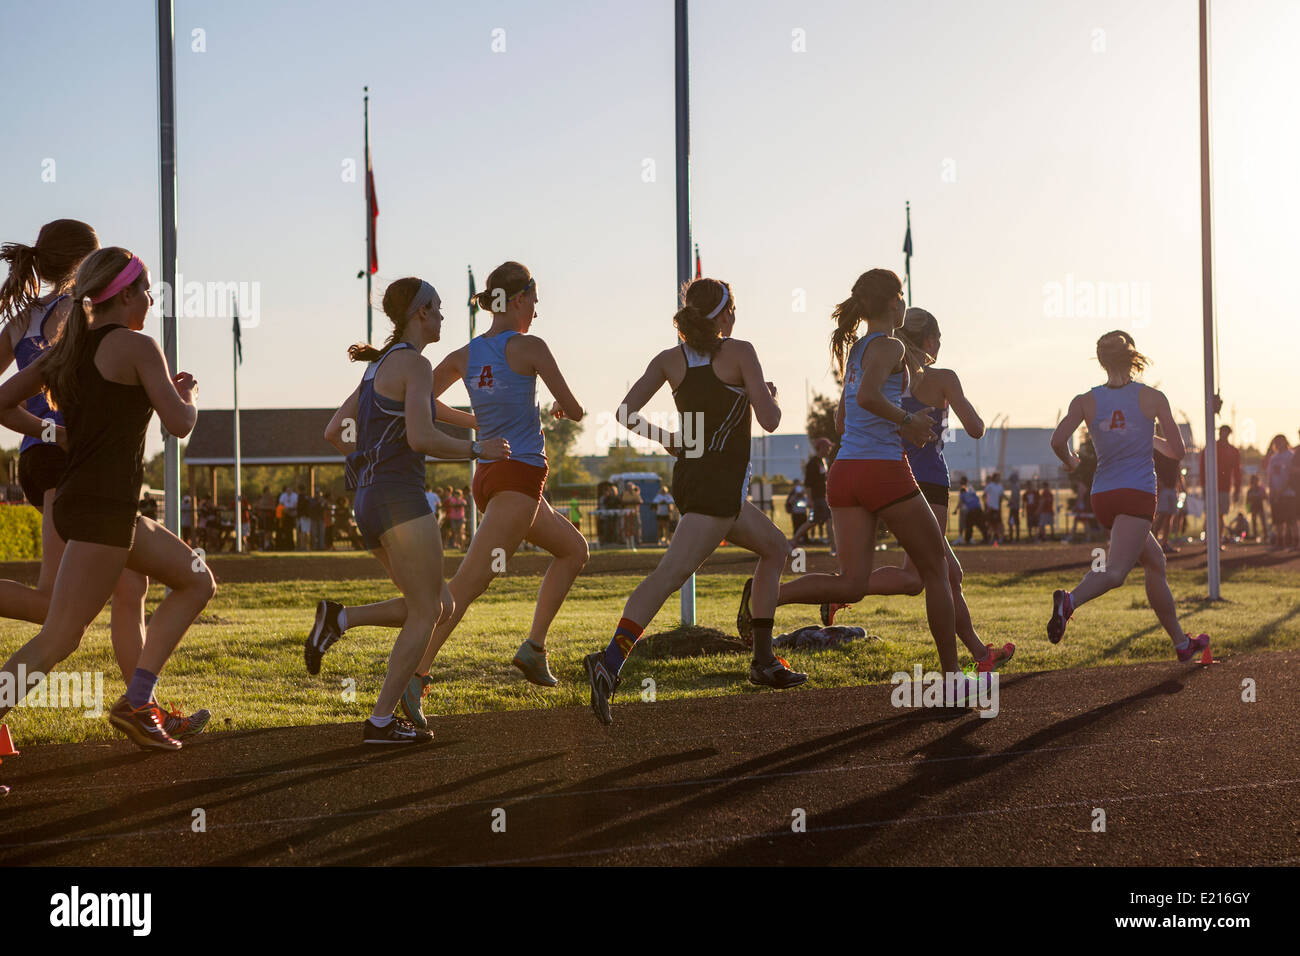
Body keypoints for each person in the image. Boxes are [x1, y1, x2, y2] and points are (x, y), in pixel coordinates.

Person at [0, 246, 216, 750]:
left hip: (92, 505)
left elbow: (3, 404)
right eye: (145, 290)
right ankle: (137, 702)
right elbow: (180, 426)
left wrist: (50, 434)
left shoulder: (67, 352)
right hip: (104, 509)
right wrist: (190, 395)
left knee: (196, 580)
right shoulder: (139, 348)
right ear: (125, 295)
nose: (149, 300)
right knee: (58, 638)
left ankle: (138, 700)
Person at [584, 277, 803, 724]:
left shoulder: (670, 359)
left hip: (694, 479)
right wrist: (768, 393)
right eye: (734, 308)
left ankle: (763, 660)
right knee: (669, 575)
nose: (736, 315)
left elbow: (626, 413)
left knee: (776, 548)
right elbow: (772, 419)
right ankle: (608, 664)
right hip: (717, 487)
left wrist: (668, 440)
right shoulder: (740, 351)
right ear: (725, 314)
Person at [754, 269, 975, 698]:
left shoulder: (859, 347)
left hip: (845, 471)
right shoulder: (889, 343)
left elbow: (850, 410)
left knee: (852, 582)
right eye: (903, 296)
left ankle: (767, 596)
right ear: (894, 302)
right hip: (882, 469)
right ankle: (952, 680)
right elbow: (868, 397)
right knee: (936, 572)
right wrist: (909, 420)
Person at [305, 277, 506, 743]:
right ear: (419, 312)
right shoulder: (416, 364)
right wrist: (479, 449)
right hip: (401, 499)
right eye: (437, 308)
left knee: (440, 604)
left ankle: (340, 619)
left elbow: (335, 431)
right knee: (427, 611)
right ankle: (379, 721)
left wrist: (369, 458)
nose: (442, 316)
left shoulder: (377, 369)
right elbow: (420, 437)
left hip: (368, 501)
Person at [404, 261, 588, 703]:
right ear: (520, 298)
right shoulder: (531, 347)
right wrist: (561, 412)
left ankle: (534, 647)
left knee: (574, 551)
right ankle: (413, 676)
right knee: (467, 585)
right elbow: (575, 409)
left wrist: (477, 423)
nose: (537, 313)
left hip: (496, 479)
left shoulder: (465, 354)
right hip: (518, 479)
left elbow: (426, 400)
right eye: (535, 302)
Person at [839, 307, 1013, 672]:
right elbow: (976, 428)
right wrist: (962, 409)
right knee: (918, 576)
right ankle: (842, 593)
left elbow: (847, 419)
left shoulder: (888, 374)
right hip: (928, 482)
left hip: (886, 474)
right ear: (930, 340)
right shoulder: (942, 377)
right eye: (939, 338)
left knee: (950, 575)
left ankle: (981, 655)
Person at [1047, 330, 1209, 662]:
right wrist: (1149, 438)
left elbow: (1057, 441)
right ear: (1133, 358)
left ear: (1102, 360)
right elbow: (1177, 451)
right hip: (1136, 493)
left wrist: (1073, 462)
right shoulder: (1152, 398)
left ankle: (1181, 643)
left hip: (1103, 495)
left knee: (1154, 561)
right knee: (1117, 572)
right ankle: (1070, 601)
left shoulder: (1085, 400)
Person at [1199, 424, 1241, 544]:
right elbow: (1203, 467)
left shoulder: (1233, 451)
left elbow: (1237, 471)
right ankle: (1208, 539)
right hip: (1210, 486)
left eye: (1226, 432)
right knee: (1210, 514)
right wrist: (1203, 485)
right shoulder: (1211, 448)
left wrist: (1237, 489)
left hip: (1224, 488)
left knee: (1221, 515)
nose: (1223, 434)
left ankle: (1218, 540)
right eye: (1222, 432)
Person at [791, 438, 834, 549]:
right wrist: (810, 500)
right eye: (827, 447)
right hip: (817, 498)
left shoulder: (823, 462)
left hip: (822, 497)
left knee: (813, 522)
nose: (829, 449)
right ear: (821, 448)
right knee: (829, 520)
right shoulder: (812, 463)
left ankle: (793, 541)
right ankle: (834, 546)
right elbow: (808, 484)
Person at [1264, 435, 1295, 550]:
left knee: (1290, 519)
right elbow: (1270, 476)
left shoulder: (1291, 456)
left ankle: (1293, 542)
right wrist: (1272, 491)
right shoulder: (1273, 458)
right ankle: (1279, 542)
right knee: (1277, 520)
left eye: (1281, 441)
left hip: (1288, 493)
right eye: (1276, 441)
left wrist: (1281, 490)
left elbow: (1290, 476)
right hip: (1275, 492)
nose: (1278, 443)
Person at [1153, 443, 1181, 554]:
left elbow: (1178, 472)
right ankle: (1154, 540)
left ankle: (1164, 542)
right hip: (1164, 488)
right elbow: (1155, 468)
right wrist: (1159, 483)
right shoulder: (1159, 452)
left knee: (1169, 515)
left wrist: (1181, 486)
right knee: (1161, 514)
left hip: (1173, 488)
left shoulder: (1175, 453)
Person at [983, 471, 1004, 545]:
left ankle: (998, 539)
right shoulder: (990, 486)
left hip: (997, 508)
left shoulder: (1000, 486)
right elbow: (984, 495)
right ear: (994, 478)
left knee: (998, 525)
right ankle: (990, 539)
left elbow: (1001, 496)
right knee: (990, 525)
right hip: (990, 508)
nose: (998, 478)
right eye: (997, 477)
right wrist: (986, 505)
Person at [1245, 474, 1266, 542]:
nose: (1255, 482)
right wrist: (1248, 510)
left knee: (1263, 521)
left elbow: (1265, 496)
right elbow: (1247, 501)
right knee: (1254, 521)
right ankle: (1255, 535)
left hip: (1260, 506)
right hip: (1253, 507)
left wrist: (1260, 497)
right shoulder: (1250, 490)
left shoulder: (1261, 489)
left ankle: (1265, 535)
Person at [1006, 474, 1021, 542]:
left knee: (1011, 522)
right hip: (1015, 507)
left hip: (1014, 508)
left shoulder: (1014, 486)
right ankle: (1016, 537)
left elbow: (1014, 498)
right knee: (1014, 522)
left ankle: (1013, 537)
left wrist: (1010, 503)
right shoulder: (1016, 486)